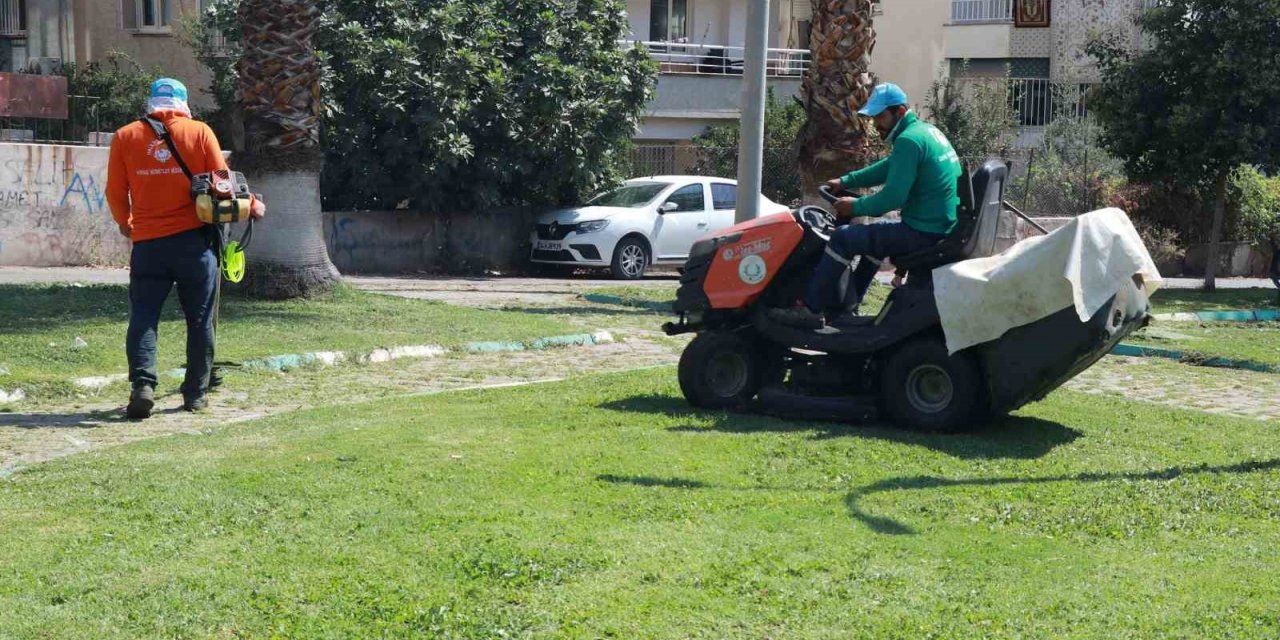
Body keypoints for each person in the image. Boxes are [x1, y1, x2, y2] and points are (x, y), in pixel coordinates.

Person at [106, 78, 265, 419]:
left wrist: (126, 223)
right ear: (182, 103)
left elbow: (115, 192)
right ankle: (195, 394)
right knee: (199, 318)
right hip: (194, 243)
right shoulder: (199, 132)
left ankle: (143, 386)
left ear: (152, 103)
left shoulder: (125, 137)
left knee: (145, 316)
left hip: (147, 245)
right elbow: (223, 186)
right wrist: (252, 205)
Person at [771, 83, 962, 329]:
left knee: (841, 238)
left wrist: (856, 207)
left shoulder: (909, 141)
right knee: (875, 240)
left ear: (900, 111)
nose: (876, 124)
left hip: (922, 232)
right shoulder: (926, 132)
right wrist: (846, 181)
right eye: (873, 118)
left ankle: (810, 308)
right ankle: (849, 308)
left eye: (881, 117)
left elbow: (892, 198)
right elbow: (889, 168)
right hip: (937, 227)